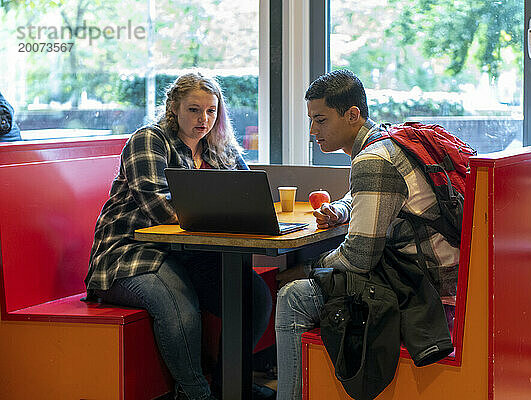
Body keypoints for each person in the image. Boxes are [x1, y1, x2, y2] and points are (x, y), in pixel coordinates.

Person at [85, 72, 275, 400]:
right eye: (194, 109)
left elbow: (249, 194)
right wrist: (224, 214)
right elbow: (157, 206)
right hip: (130, 252)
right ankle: (195, 394)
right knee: (180, 305)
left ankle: (229, 386)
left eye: (212, 111)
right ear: (174, 107)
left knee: (253, 297)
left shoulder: (217, 147)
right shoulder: (150, 139)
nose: (204, 119)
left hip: (187, 253)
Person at [275, 69, 460, 399]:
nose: (312, 130)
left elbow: (359, 257)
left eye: (320, 120)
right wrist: (342, 210)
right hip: (441, 272)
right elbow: (369, 196)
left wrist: (306, 269)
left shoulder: (373, 160)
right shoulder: (388, 140)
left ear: (352, 115)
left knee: (293, 295)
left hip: (424, 285)